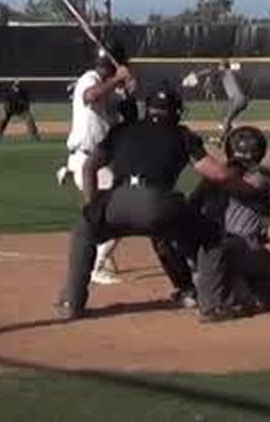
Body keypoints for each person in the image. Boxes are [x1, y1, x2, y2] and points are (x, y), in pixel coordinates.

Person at [55, 86, 259, 323]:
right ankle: (212, 305)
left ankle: (72, 302)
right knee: (211, 237)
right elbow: (217, 175)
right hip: (159, 204)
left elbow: (89, 166)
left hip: (115, 202)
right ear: (176, 112)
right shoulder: (182, 134)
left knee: (84, 232)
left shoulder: (122, 130)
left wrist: (94, 207)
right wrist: (248, 188)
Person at [173, 125, 270, 314]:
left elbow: (189, 212)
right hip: (243, 251)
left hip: (204, 255)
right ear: (260, 151)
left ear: (230, 149)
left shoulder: (213, 177)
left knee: (224, 268)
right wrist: (258, 239)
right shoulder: (265, 177)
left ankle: (204, 286)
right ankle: (253, 292)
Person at [57, 42, 137, 285]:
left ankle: (102, 254)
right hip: (89, 159)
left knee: (110, 211)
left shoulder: (110, 89)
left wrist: (127, 92)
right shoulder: (88, 79)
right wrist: (117, 80)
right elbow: (90, 96)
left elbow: (128, 118)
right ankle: (97, 266)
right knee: (122, 212)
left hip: (101, 159)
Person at [215, 60, 251, 135]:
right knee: (226, 119)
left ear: (223, 67)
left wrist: (198, 75)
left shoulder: (227, 72)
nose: (218, 68)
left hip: (237, 100)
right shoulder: (228, 73)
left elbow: (216, 73)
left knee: (226, 120)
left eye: (220, 66)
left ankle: (222, 138)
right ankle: (230, 134)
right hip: (239, 100)